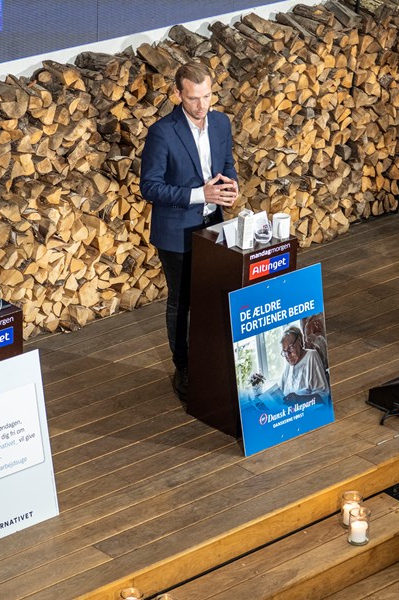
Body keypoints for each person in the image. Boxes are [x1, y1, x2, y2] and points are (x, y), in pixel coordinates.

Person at [140, 61, 239, 401]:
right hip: (176, 232)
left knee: (213, 295)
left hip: (214, 224)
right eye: (194, 98)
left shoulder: (221, 123)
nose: (202, 105)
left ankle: (209, 359)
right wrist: (201, 194)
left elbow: (226, 164)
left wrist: (231, 186)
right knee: (182, 302)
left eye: (207, 96)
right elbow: (149, 187)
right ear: (178, 95)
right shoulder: (162, 132)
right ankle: (183, 367)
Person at [278, 326, 329, 405]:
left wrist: (299, 399)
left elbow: (323, 397)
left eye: (290, 348)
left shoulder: (311, 356)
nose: (288, 355)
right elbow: (280, 393)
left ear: (299, 341)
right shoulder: (288, 366)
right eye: (284, 352)